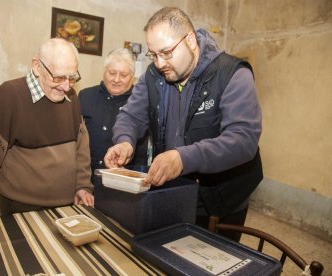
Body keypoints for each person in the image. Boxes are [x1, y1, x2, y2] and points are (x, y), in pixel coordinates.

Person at [104, 7, 263, 241]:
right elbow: (131, 116)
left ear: (190, 40)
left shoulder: (232, 74)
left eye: (166, 53)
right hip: (174, 191)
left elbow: (243, 140)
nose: (159, 63)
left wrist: (182, 158)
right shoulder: (154, 75)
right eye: (153, 54)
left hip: (221, 198)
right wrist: (125, 141)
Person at [0, 38, 94, 238]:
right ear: (36, 66)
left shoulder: (71, 97)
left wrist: (83, 186)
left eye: (72, 78)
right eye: (59, 77)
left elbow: (81, 149)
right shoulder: (9, 96)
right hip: (21, 211)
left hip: (68, 210)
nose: (66, 86)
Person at [79, 48, 148, 182]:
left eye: (123, 75)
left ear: (132, 77)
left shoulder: (141, 102)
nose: (116, 79)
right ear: (104, 72)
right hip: (87, 179)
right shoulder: (85, 96)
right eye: (112, 73)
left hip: (127, 181)